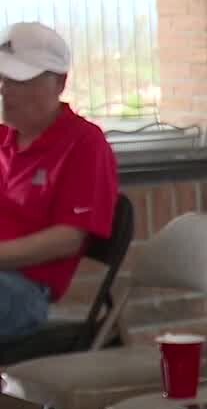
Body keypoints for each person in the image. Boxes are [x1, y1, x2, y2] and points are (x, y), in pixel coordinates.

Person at [0, 22, 118, 339]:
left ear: (60, 83)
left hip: (23, 289)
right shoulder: (3, 139)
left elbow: (69, 239)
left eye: (20, 80)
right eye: (3, 79)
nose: (5, 90)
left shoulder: (84, 144)